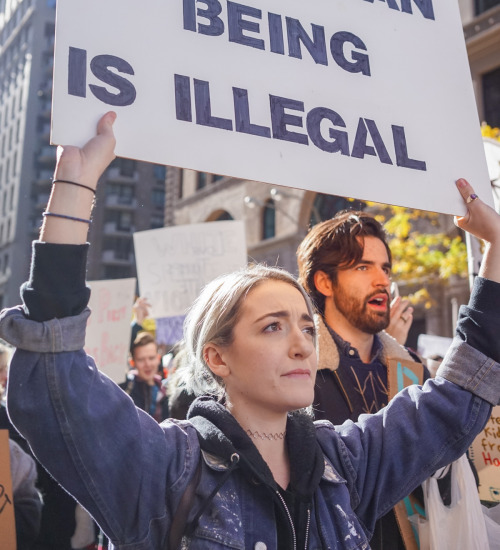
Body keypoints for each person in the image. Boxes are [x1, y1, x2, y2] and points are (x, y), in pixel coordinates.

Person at [0, 111, 499, 550]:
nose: (303, 343)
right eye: (273, 326)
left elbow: (457, 394)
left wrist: (496, 245)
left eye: (306, 325)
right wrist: (74, 184)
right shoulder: (167, 470)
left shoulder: (345, 463)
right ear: (218, 358)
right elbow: (53, 374)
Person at [296, 212, 429, 549]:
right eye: (363, 267)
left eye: (385, 268)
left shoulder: (413, 371)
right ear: (325, 282)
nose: (381, 280)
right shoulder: (298, 370)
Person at [119, 330, 169, 422]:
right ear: (132, 362)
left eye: (151, 358)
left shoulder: (166, 390)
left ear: (158, 359)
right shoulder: (126, 386)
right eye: (141, 360)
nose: (148, 364)